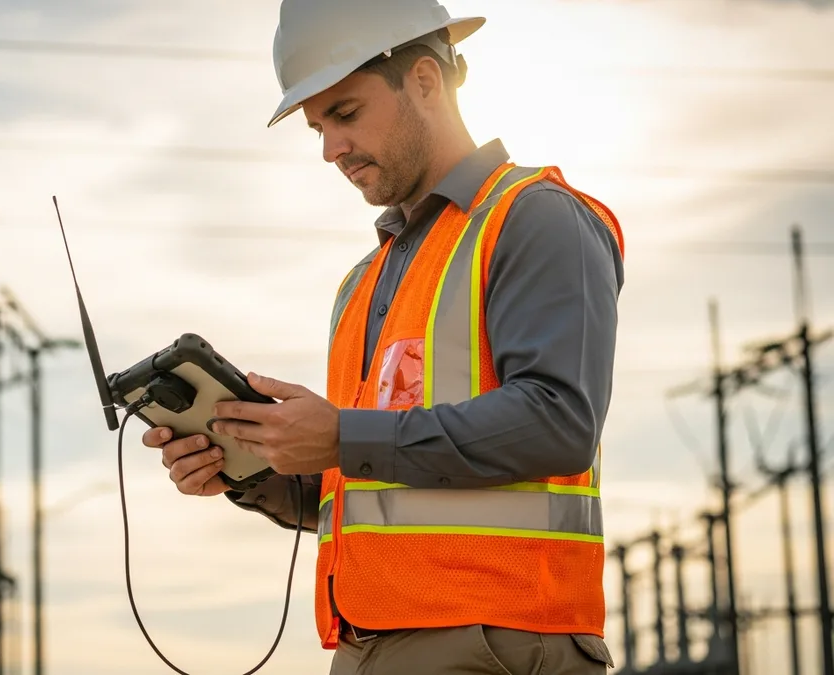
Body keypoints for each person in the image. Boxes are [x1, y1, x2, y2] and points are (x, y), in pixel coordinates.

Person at [142, 1, 626, 672]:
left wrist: (342, 435)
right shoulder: (362, 283)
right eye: (316, 127)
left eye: (344, 114)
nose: (329, 149)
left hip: (502, 644)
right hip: (368, 645)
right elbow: (366, 491)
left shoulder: (534, 219)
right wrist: (247, 468)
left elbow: (559, 420)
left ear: (426, 81)